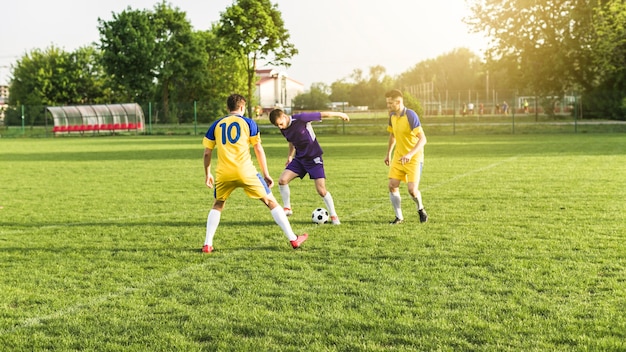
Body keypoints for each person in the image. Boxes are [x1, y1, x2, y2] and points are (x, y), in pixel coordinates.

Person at [201, 94, 308, 253]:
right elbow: (258, 149)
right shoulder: (249, 123)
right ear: (242, 107)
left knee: (218, 204)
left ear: (227, 108)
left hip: (224, 174)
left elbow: (207, 153)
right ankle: (293, 239)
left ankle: (207, 244)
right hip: (246, 172)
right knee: (271, 202)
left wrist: (208, 173)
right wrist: (266, 173)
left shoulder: (216, 125)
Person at [269, 108, 350, 225]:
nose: (280, 127)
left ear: (284, 116)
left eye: (280, 124)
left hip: (314, 158)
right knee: (282, 180)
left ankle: (333, 215)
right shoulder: (283, 129)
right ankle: (287, 208)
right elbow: (291, 141)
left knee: (321, 190)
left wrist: (340, 114)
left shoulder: (301, 119)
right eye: (277, 126)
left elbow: (324, 114)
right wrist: (290, 157)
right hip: (300, 159)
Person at [384, 89, 428, 224]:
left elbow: (423, 139)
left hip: (414, 158)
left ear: (398, 102)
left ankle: (420, 208)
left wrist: (410, 154)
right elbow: (393, 135)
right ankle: (399, 217)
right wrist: (389, 153)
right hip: (398, 157)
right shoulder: (392, 116)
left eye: (390, 103)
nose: (388, 106)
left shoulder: (411, 115)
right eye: (387, 103)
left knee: (412, 191)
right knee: (392, 185)